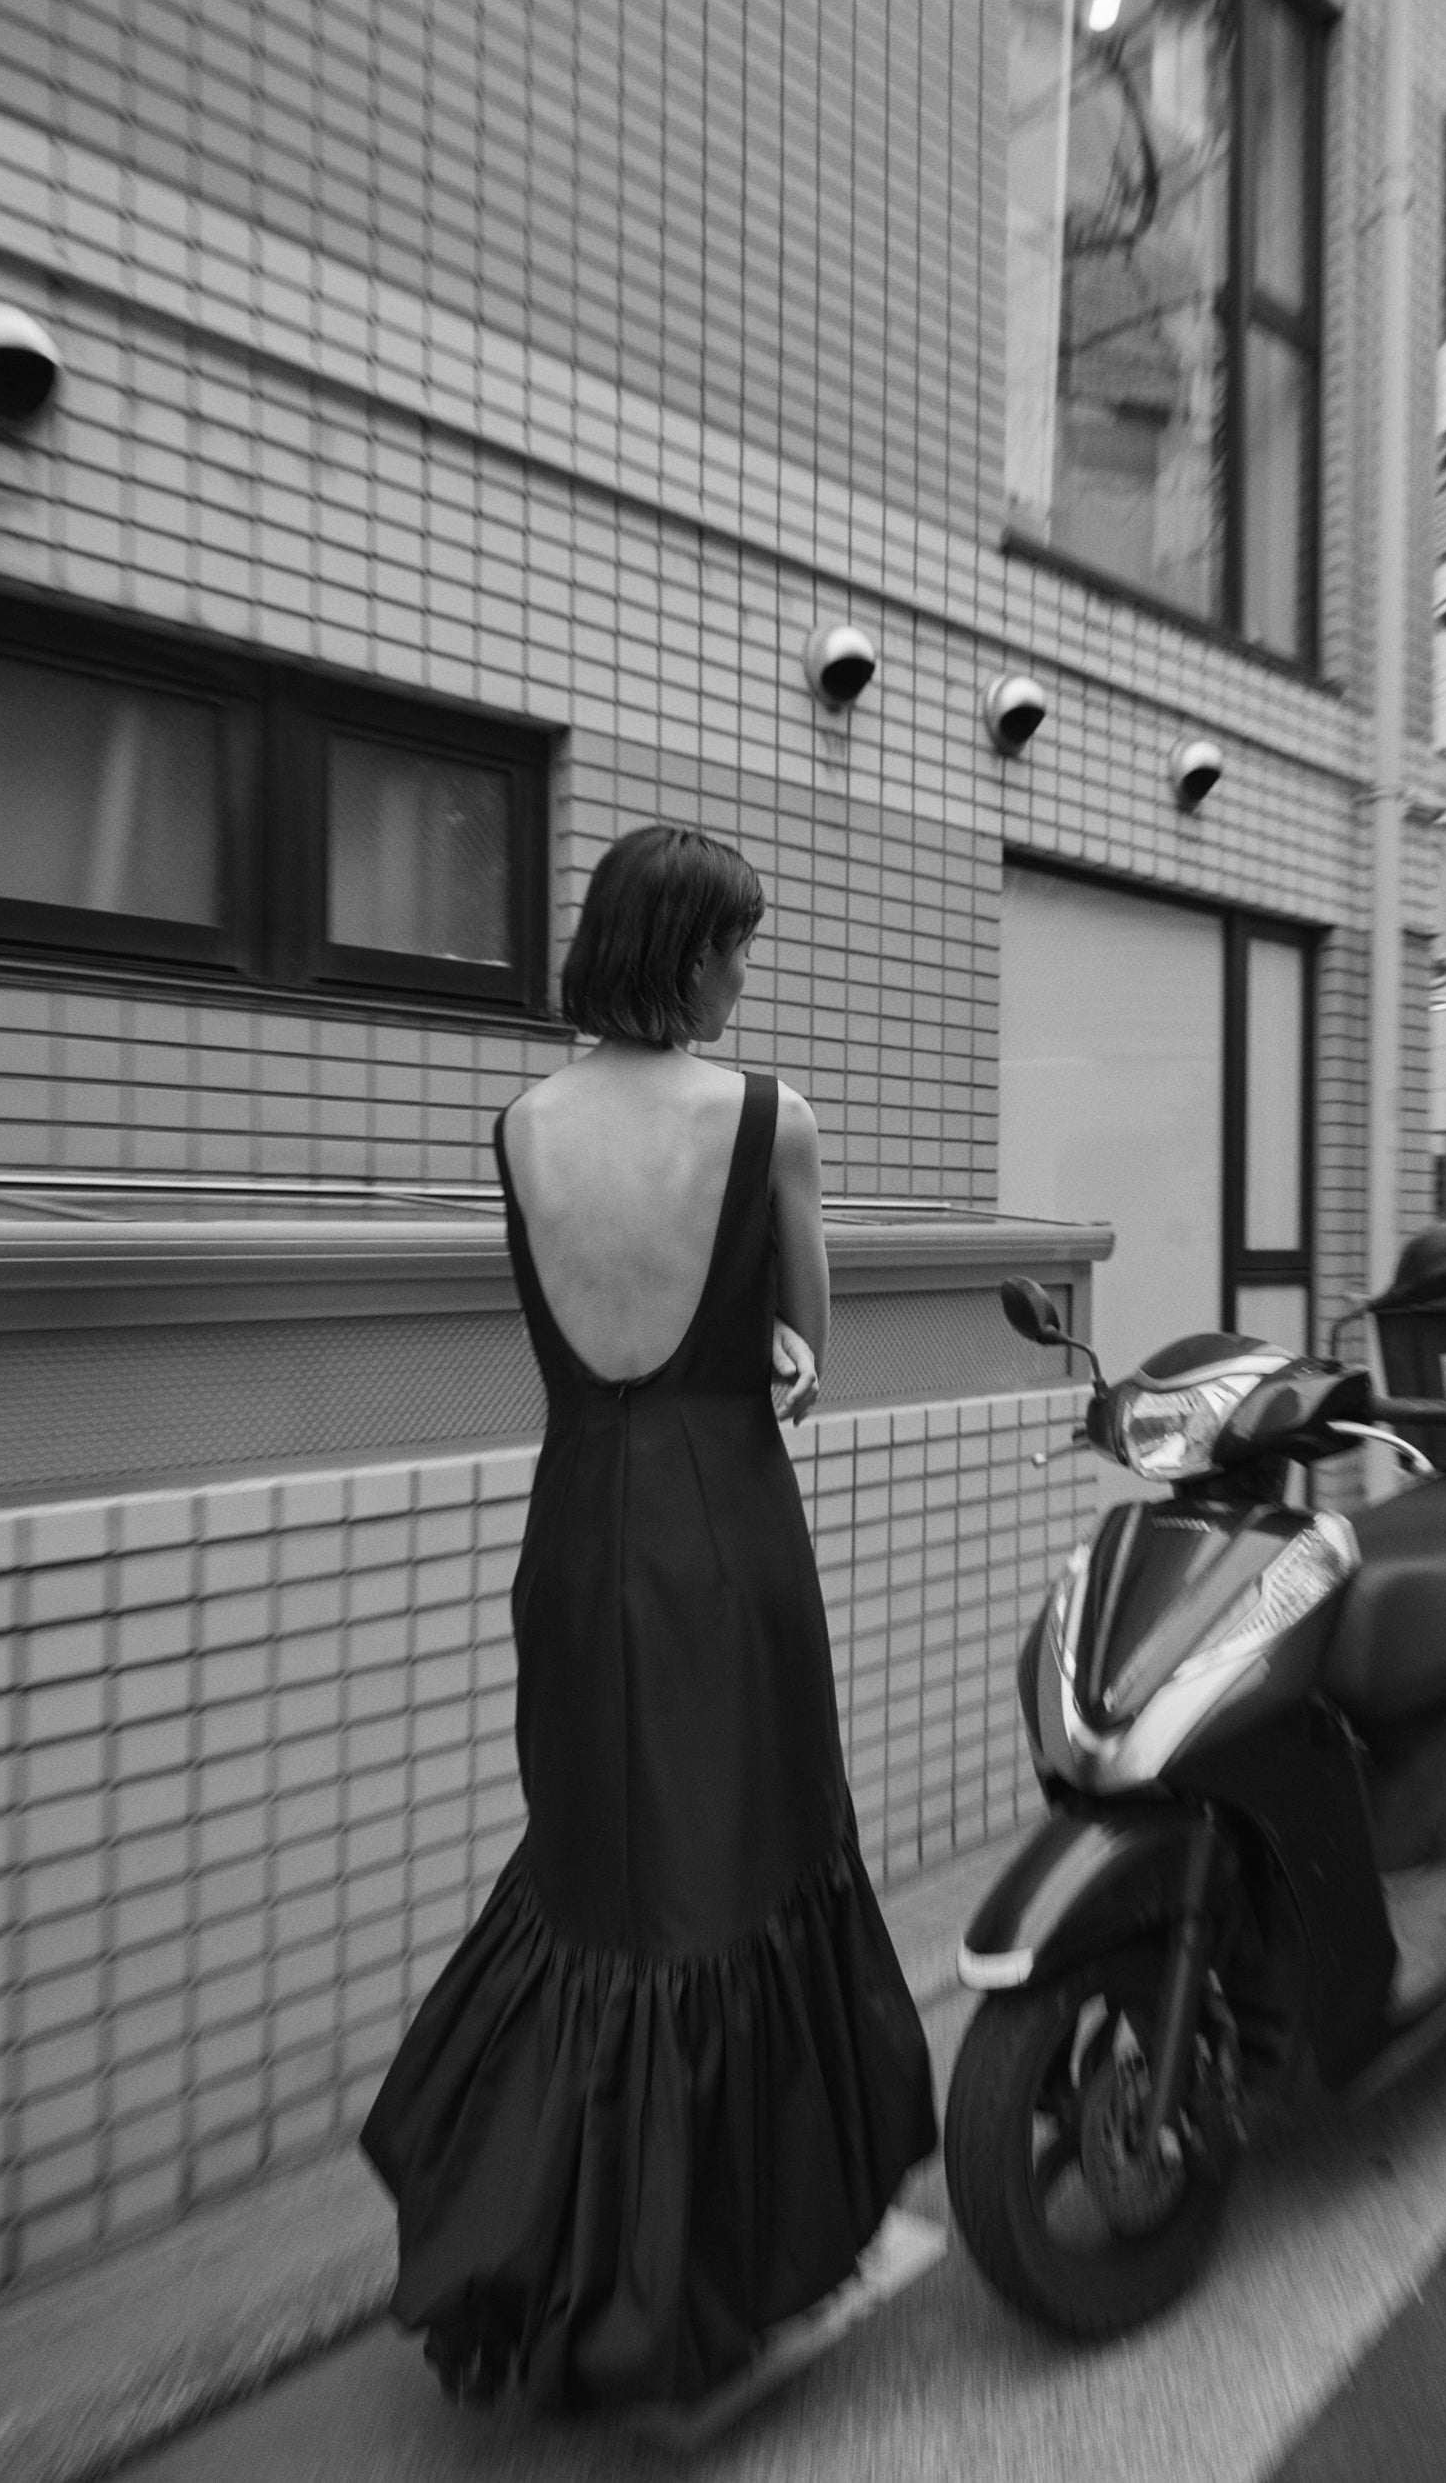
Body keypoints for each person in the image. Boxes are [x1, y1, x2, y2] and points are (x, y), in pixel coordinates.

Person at [360, 823, 937, 2414]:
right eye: (737, 946)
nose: (747, 973)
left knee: (601, 1878)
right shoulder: (770, 1120)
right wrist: (774, 1351)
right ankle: (712, 2275)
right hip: (725, 1543)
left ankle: (552, 2255)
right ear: (684, 952)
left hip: (575, 1534)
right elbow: (804, 1353)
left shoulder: (522, 1126)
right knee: (740, 1871)